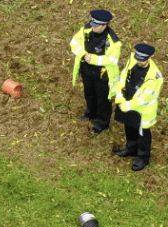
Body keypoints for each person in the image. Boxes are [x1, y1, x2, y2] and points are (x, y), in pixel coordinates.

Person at [110, 43, 163, 172]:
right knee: (129, 126)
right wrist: (120, 99)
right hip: (127, 103)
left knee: (143, 134)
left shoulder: (155, 77)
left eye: (142, 60)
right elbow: (122, 80)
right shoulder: (132, 61)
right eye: (138, 59)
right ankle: (131, 148)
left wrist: (125, 105)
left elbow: (144, 99)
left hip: (142, 111)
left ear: (149, 58)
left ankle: (143, 158)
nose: (139, 62)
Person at [70, 10, 121, 134]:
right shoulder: (86, 29)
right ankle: (90, 114)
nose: (93, 27)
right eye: (93, 24)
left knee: (103, 99)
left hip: (103, 74)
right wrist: (83, 54)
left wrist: (92, 59)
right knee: (89, 94)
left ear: (105, 25)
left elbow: (112, 60)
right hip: (86, 70)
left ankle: (102, 123)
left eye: (97, 26)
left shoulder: (114, 41)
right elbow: (74, 42)